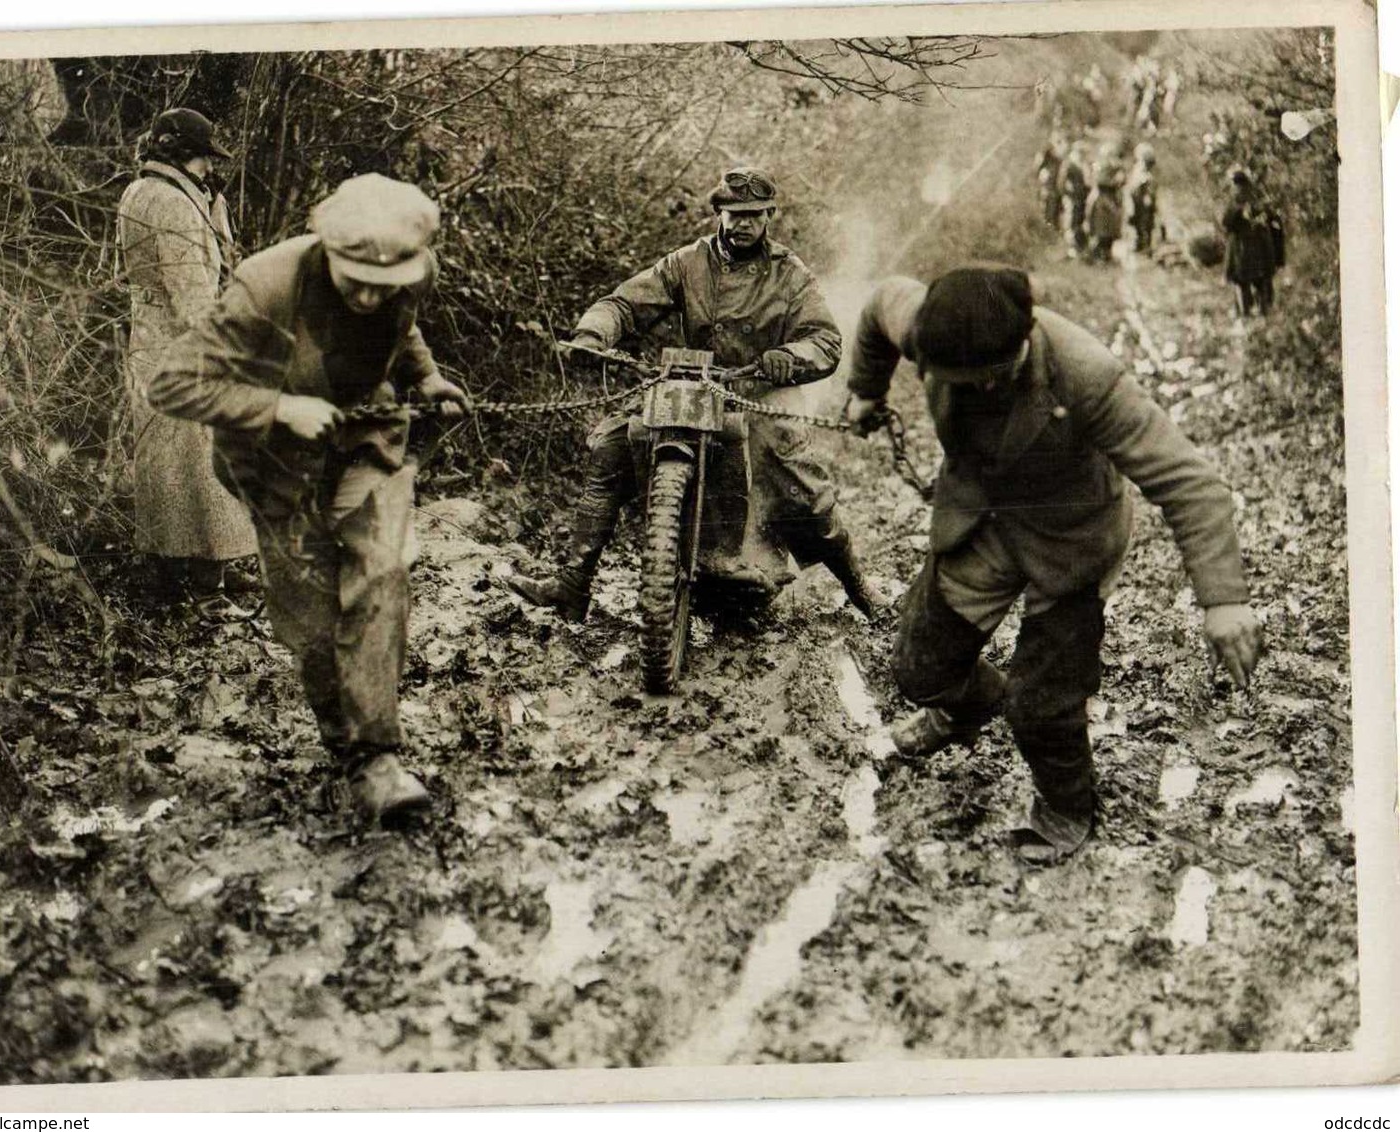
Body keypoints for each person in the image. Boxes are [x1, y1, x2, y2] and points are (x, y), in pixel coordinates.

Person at [843, 266, 1263, 865]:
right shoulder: (928, 323)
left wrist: (1223, 600)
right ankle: (967, 709)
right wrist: (867, 389)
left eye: (986, 381)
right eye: (953, 381)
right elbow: (879, 300)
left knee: (1041, 705)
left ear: (1018, 348)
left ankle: (1067, 809)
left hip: (1072, 537)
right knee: (919, 669)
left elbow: (1190, 485)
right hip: (982, 519)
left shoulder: (1084, 373)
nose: (972, 392)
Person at [149, 173, 473, 825]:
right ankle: (342, 741)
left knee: (381, 574)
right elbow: (172, 382)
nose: (367, 294)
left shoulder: (414, 274)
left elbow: (400, 329)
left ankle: (376, 760)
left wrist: (428, 377)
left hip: (365, 438)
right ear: (327, 249)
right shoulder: (266, 286)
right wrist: (277, 407)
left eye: (384, 284)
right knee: (312, 617)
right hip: (272, 463)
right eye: (355, 277)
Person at [508, 166, 886, 621]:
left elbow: (825, 341)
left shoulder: (789, 274)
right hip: (693, 384)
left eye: (752, 215)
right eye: (732, 213)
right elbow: (625, 303)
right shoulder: (687, 262)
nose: (741, 223)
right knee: (612, 447)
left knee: (800, 486)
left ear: (769, 215)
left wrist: (789, 356)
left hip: (759, 392)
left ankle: (861, 591)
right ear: (718, 214)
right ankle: (573, 584)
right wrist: (594, 332)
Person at [117, 107, 257, 617]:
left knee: (167, 459)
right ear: (184, 157)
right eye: (202, 161)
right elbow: (191, 295)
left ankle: (190, 566)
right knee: (204, 457)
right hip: (183, 345)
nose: (207, 170)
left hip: (150, 341)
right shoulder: (173, 204)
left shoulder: (139, 191)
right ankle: (205, 583)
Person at [1221, 166, 1284, 317]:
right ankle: (1248, 313)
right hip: (1244, 249)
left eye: (1240, 185)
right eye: (1237, 186)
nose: (1239, 189)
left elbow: (1273, 222)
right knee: (1246, 282)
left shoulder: (1255, 202)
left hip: (1252, 249)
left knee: (1255, 281)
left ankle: (1257, 312)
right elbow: (1227, 223)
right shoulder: (1236, 204)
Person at [1084, 158, 1125, 263]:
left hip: (1106, 217)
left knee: (1107, 237)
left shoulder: (1109, 192)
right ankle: (1096, 257)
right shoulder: (1099, 193)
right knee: (1101, 237)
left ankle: (1105, 256)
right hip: (1101, 217)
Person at [1126, 142, 1159, 255]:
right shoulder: (1138, 167)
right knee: (1137, 220)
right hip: (1137, 197)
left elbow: (1149, 184)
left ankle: (1146, 245)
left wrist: (1148, 195)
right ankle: (1140, 243)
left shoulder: (1147, 170)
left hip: (1145, 197)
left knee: (1145, 221)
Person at [1058, 142, 1090, 258]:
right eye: (1080, 152)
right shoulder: (1069, 164)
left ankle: (1079, 248)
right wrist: (1067, 195)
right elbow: (1061, 183)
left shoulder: (1083, 165)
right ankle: (1071, 248)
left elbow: (1087, 183)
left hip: (1081, 198)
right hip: (1071, 198)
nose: (1082, 155)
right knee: (1071, 222)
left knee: (1079, 222)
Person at [1035, 135, 1065, 229]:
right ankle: (1049, 227)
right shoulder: (1047, 162)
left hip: (1055, 189)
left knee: (1054, 211)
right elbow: (1038, 171)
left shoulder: (1058, 161)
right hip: (1049, 189)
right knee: (1048, 211)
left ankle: (1052, 227)